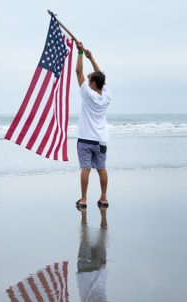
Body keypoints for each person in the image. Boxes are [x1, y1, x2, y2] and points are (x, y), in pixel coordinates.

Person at [75, 41, 111, 209]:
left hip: (85, 139)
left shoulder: (88, 94)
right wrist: (92, 57)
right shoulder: (106, 95)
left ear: (94, 84)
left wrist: (80, 53)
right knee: (102, 168)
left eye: (90, 81)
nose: (88, 83)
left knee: (85, 169)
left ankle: (83, 199)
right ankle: (104, 198)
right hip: (101, 140)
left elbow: (78, 71)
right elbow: (100, 77)